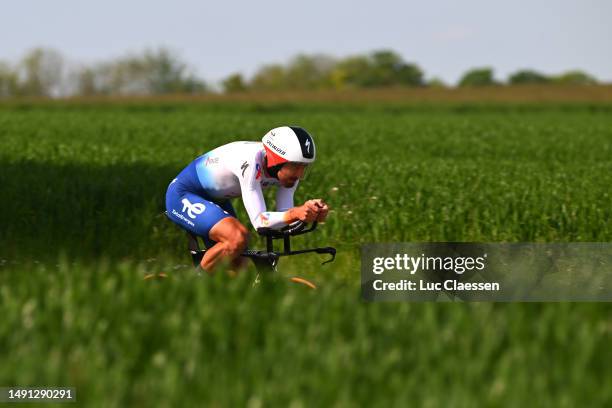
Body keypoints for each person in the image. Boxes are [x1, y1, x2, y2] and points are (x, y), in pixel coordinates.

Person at [165, 126, 330, 272]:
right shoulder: (250, 161)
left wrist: (309, 214)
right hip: (184, 194)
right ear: (276, 160)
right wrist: (295, 213)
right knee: (236, 238)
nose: (300, 175)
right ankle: (190, 287)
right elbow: (260, 222)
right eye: (295, 167)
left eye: (304, 167)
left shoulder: (288, 175)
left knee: (238, 266)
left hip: (216, 200)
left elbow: (284, 217)